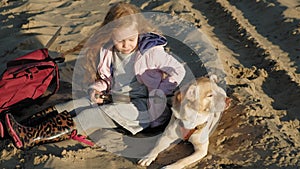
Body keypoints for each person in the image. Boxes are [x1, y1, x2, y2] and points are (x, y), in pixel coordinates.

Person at [2, 2, 186, 149]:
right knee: (71, 105)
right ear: (110, 33)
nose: (126, 45)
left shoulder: (151, 52)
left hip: (141, 108)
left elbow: (179, 70)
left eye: (131, 39)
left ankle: (31, 137)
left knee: (89, 116)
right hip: (112, 98)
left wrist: (160, 92)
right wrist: (96, 88)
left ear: (139, 32)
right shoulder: (108, 51)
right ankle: (22, 127)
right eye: (120, 40)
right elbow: (106, 79)